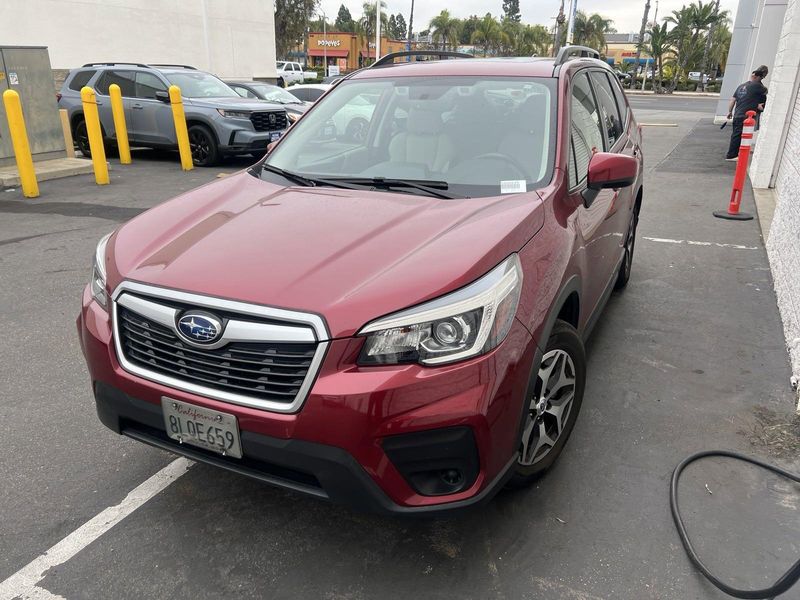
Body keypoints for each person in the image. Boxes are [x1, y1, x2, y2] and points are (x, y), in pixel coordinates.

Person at [725, 65, 769, 160]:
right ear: (758, 77)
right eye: (762, 76)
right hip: (746, 116)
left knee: (737, 135)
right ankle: (731, 155)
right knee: (739, 136)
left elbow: (733, 100)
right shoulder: (758, 86)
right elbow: (769, 92)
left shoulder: (741, 86)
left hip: (737, 114)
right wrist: (759, 104)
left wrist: (729, 112)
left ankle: (737, 153)